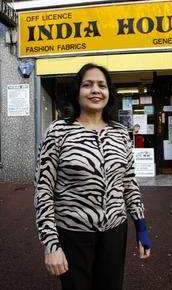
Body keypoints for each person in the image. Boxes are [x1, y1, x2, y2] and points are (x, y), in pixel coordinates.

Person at [34, 63, 152, 290]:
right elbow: (43, 190)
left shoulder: (119, 132)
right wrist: (51, 244)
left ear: (109, 92)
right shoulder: (58, 131)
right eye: (88, 85)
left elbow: (129, 182)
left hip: (115, 232)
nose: (95, 90)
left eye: (102, 85)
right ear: (77, 92)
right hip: (72, 233)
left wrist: (141, 227)